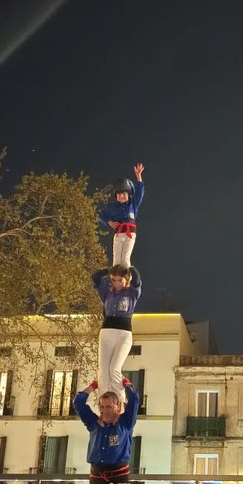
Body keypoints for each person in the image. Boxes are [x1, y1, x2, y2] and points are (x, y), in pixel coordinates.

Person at [91, 264, 142, 401]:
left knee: (114, 369)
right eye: (114, 280)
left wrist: (130, 269)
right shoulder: (107, 292)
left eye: (120, 280)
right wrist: (108, 270)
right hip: (106, 332)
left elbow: (137, 280)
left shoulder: (132, 293)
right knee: (103, 371)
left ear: (126, 280)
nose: (117, 283)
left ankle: (119, 401)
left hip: (123, 333)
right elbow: (95, 277)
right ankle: (104, 401)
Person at [98, 163, 145, 267]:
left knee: (125, 258)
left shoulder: (133, 204)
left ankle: (127, 279)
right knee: (117, 259)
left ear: (129, 195)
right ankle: (115, 280)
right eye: (119, 194)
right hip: (118, 233)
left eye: (124, 194)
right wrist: (108, 221)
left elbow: (140, 193)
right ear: (116, 196)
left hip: (130, 233)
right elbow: (101, 214)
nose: (122, 196)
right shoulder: (112, 206)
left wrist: (139, 177)